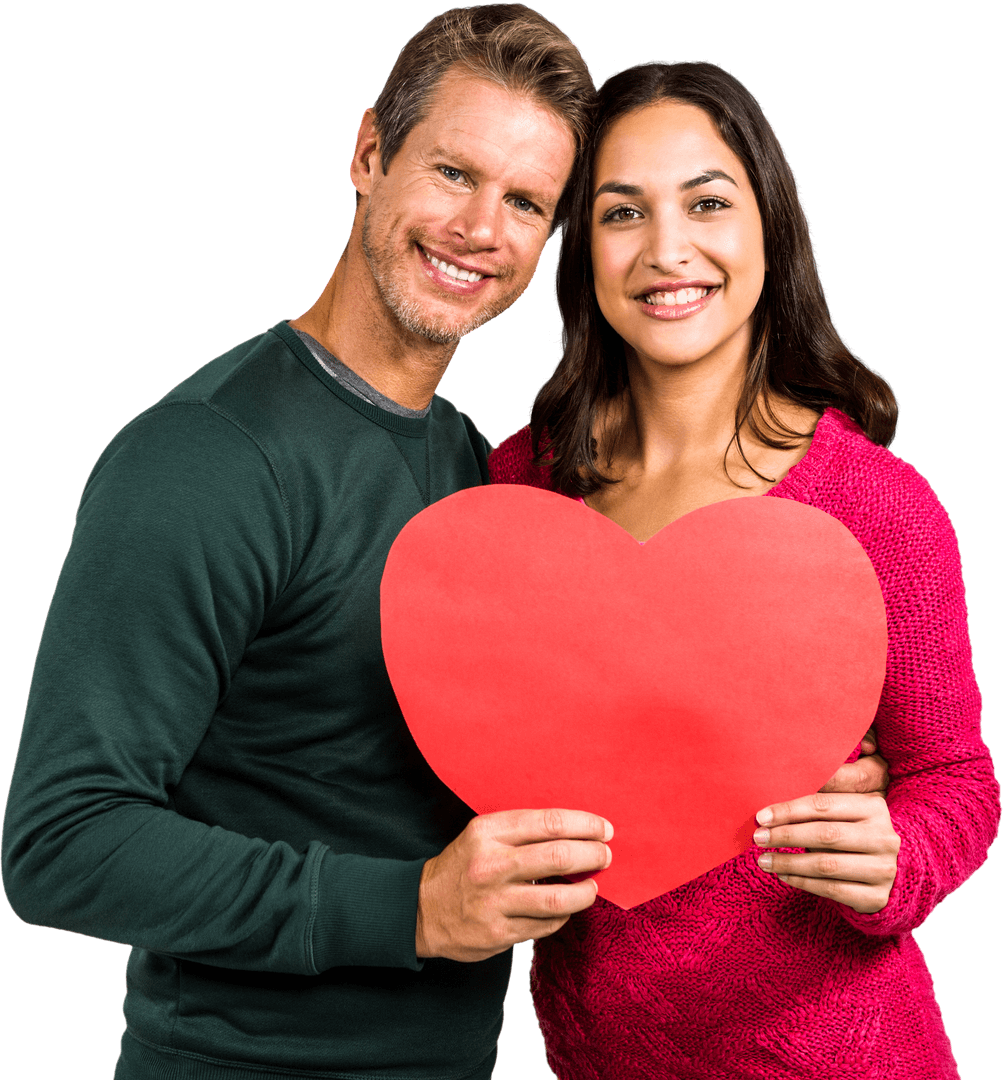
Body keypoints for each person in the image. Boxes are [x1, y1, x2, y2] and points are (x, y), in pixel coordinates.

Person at [1, 9, 889, 1078]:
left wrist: (787, 774)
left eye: (526, 202)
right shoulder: (209, 457)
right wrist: (413, 907)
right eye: (455, 173)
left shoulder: (486, 471)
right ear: (370, 153)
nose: (482, 228)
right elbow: (60, 843)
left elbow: (576, 734)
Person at [489, 60, 1000, 1078]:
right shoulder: (520, 492)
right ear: (580, 249)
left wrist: (900, 857)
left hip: (844, 1057)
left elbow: (957, 779)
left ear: (769, 226)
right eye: (621, 212)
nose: (667, 250)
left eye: (708, 203)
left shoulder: (876, 509)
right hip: (593, 1055)